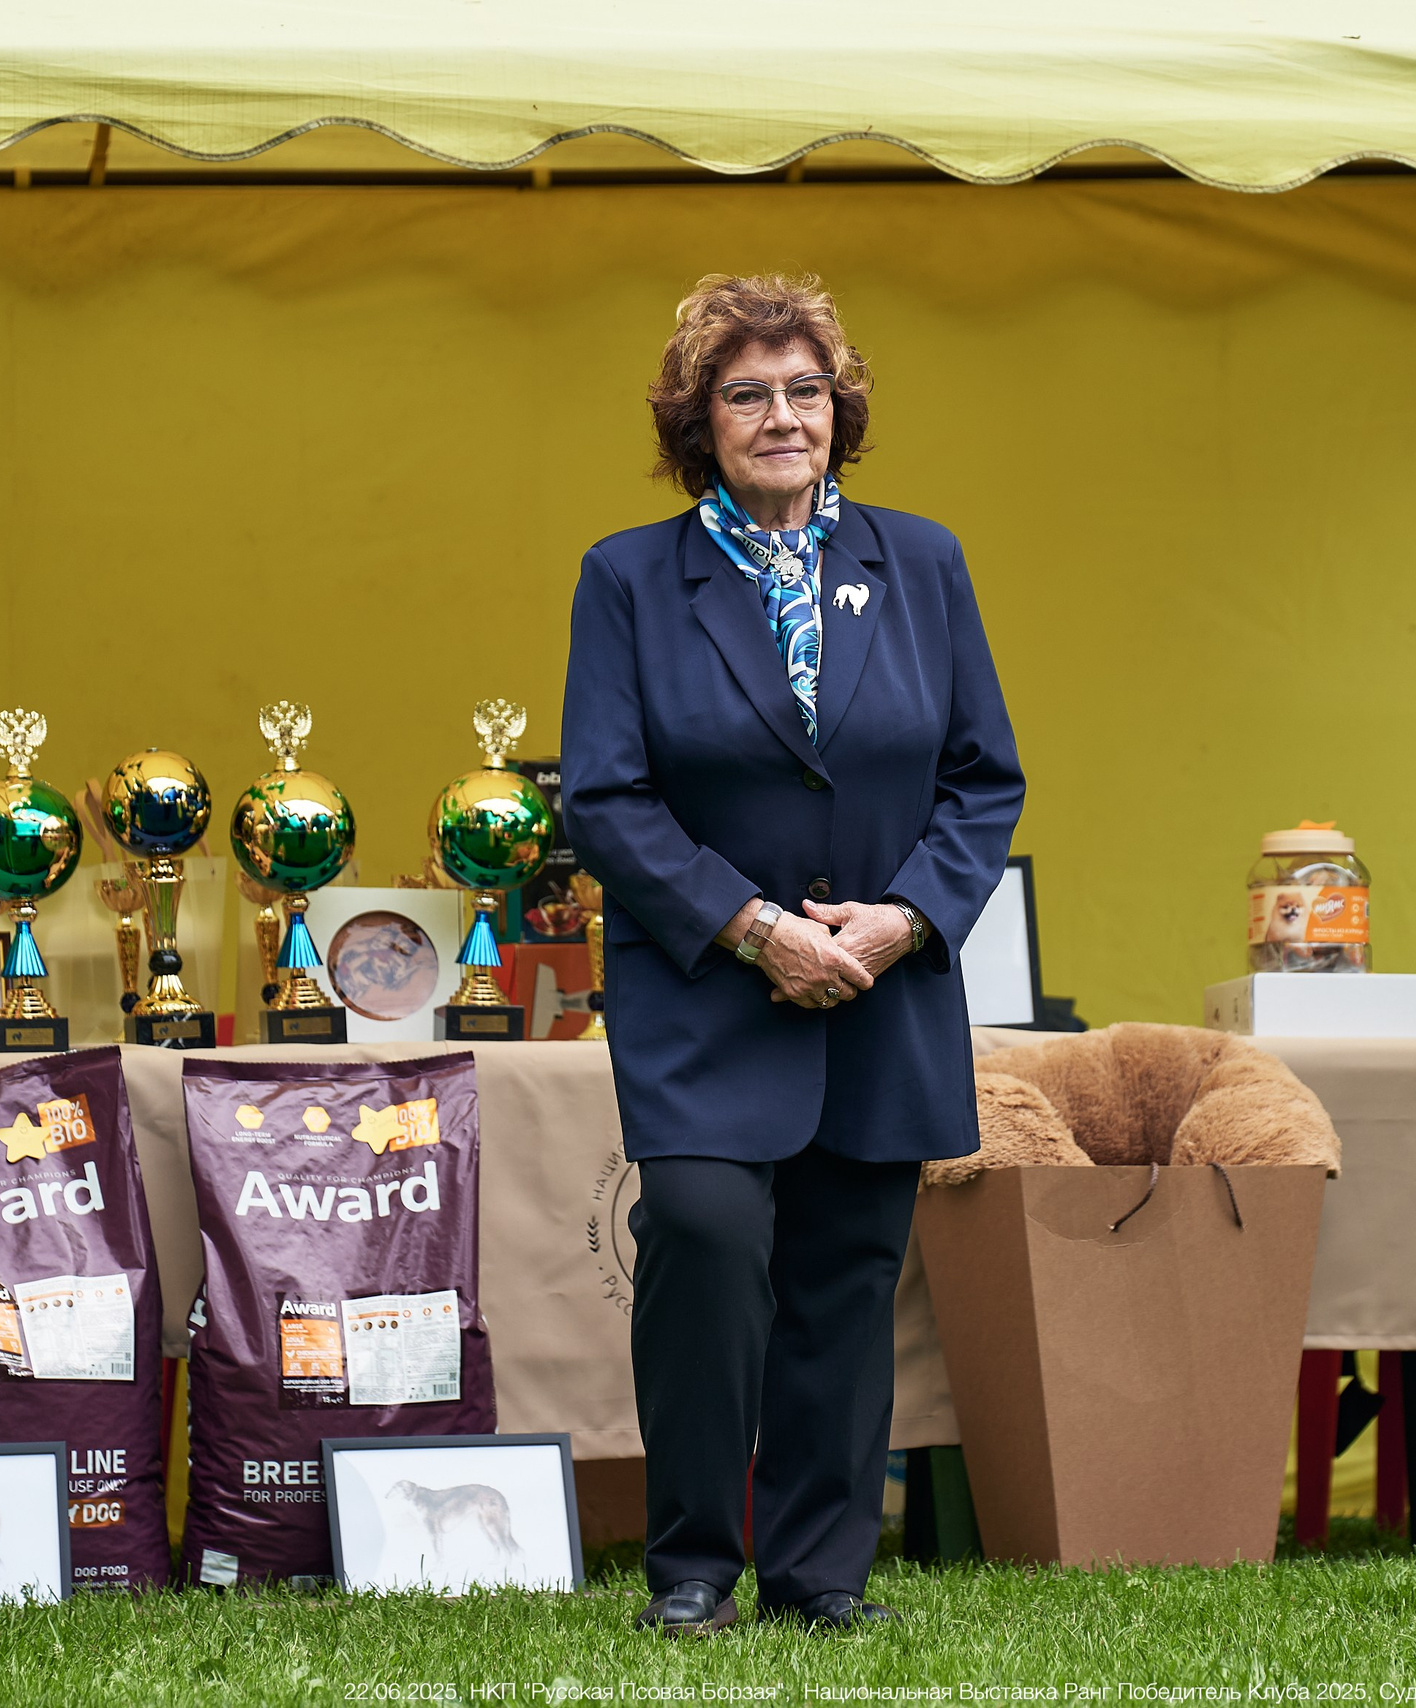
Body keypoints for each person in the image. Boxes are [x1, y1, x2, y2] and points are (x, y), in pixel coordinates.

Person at [561, 274, 1025, 1634]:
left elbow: (981, 780)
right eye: (748, 392)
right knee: (703, 1241)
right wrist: (753, 926)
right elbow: (606, 797)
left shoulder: (923, 561)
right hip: (709, 982)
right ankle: (696, 1568)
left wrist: (907, 918)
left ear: (844, 409)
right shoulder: (630, 578)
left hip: (882, 985)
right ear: (699, 421)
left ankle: (823, 1579)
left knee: (845, 1271)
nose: (783, 416)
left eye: (806, 389)